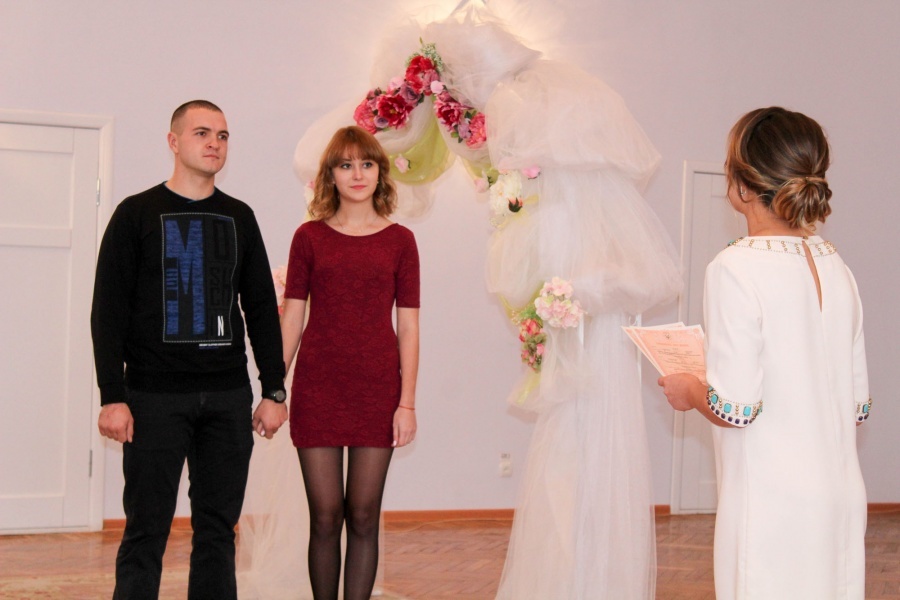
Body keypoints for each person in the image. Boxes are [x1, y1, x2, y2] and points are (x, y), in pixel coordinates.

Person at [658, 107, 871, 599]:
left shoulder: (735, 266)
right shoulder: (837, 266)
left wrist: (688, 388)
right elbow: (856, 407)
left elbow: (736, 408)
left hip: (773, 503)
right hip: (841, 496)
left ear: (743, 185)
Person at [91, 99, 288, 599]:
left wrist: (274, 390)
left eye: (222, 135)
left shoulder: (239, 217)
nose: (214, 143)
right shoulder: (136, 214)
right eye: (202, 133)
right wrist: (112, 396)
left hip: (226, 398)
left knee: (218, 531)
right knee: (145, 530)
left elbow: (260, 308)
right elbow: (108, 312)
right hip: (153, 398)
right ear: (173, 141)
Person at [281, 125, 420, 600]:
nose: (357, 174)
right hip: (317, 388)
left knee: (363, 516)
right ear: (331, 175)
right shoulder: (308, 237)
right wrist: (274, 389)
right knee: (325, 517)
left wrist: (407, 403)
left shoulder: (401, 241)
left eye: (366, 164)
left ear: (379, 173)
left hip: (377, 390)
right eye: (345, 165)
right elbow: (293, 317)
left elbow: (409, 327)